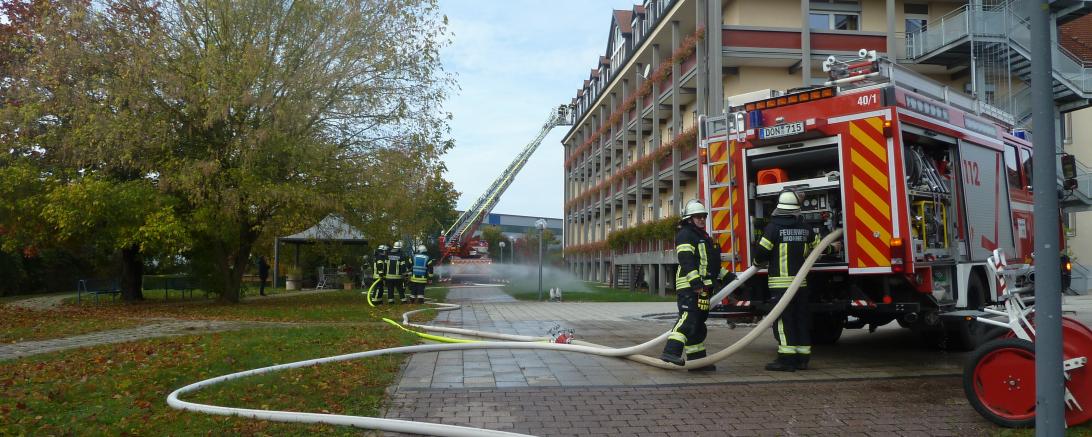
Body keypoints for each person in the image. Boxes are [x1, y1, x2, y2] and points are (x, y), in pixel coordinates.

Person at [660, 199, 731, 371]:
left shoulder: (704, 237)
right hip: (690, 286)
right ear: (689, 219)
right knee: (688, 318)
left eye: (703, 216)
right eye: (697, 217)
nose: (701, 219)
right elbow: (686, 261)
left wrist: (728, 277)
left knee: (698, 323)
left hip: (703, 287)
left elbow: (711, 266)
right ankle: (670, 352)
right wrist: (695, 283)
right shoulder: (685, 234)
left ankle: (696, 361)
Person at [754, 190, 817, 372]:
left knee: (783, 321)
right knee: (800, 320)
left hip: (780, 285)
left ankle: (786, 360)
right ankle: (803, 358)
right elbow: (818, 247)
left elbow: (761, 253)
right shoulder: (805, 227)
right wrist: (833, 248)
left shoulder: (773, 228)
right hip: (801, 285)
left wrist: (757, 263)